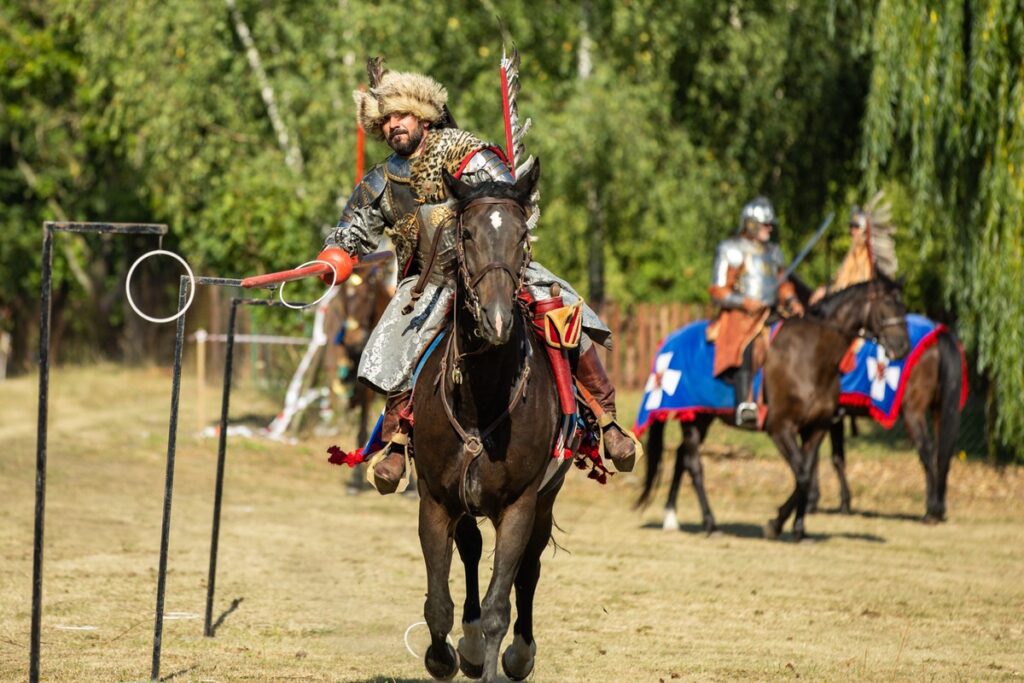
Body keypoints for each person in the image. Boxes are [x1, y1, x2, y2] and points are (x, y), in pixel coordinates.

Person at [321, 59, 639, 493]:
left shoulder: (465, 152)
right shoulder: (380, 180)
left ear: (423, 114)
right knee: (394, 339)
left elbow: (508, 200)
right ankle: (397, 442)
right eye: (387, 118)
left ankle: (607, 422)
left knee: (562, 309)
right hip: (427, 284)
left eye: (402, 114)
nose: (395, 125)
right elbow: (353, 230)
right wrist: (333, 257)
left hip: (493, 268)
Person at [708, 197, 804, 428]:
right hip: (741, 317)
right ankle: (744, 405)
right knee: (747, 346)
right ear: (750, 224)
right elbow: (718, 291)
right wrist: (744, 302)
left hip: (771, 312)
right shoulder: (731, 249)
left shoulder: (773, 252)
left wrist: (792, 300)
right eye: (765, 224)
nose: (770, 228)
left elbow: (782, 283)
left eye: (770, 224)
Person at [811, 191, 898, 303]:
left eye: (856, 227)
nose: (851, 231)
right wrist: (825, 290)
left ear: (863, 229)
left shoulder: (866, 255)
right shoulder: (853, 253)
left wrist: (827, 292)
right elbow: (839, 282)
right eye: (851, 226)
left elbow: (854, 285)